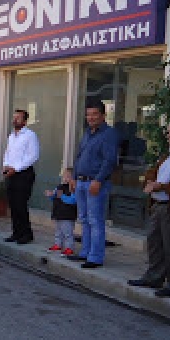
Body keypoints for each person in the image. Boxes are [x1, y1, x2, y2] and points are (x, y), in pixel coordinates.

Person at [68, 98, 119, 269]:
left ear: (103, 115)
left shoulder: (109, 134)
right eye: (88, 114)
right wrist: (73, 177)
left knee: (95, 220)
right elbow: (79, 156)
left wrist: (98, 180)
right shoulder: (87, 133)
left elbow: (109, 160)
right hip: (81, 182)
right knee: (83, 219)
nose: (91, 117)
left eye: (95, 114)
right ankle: (85, 252)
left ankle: (95, 257)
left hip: (95, 184)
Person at [128, 122, 170, 297]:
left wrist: (160, 186)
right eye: (168, 132)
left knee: (169, 245)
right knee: (155, 243)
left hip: (168, 206)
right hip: (157, 205)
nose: (168, 135)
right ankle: (154, 276)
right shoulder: (166, 157)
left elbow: (164, 184)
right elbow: (155, 174)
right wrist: (149, 180)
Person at [2, 109, 40, 245]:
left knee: (21, 204)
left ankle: (26, 233)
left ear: (24, 121)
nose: (15, 120)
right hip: (11, 173)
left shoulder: (30, 135)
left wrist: (16, 168)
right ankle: (16, 232)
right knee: (12, 205)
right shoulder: (12, 136)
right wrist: (6, 165)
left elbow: (33, 156)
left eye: (18, 118)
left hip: (23, 174)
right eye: (14, 117)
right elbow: (8, 152)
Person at [45, 168, 77, 256]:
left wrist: (62, 196)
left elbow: (73, 201)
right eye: (64, 176)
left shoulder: (73, 189)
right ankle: (58, 245)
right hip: (58, 213)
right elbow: (55, 198)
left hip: (68, 215)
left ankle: (69, 248)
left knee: (67, 233)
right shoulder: (59, 187)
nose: (66, 178)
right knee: (58, 231)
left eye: (68, 177)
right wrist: (51, 195)